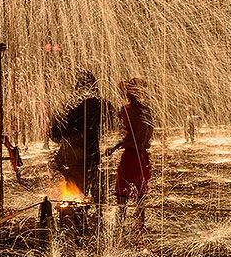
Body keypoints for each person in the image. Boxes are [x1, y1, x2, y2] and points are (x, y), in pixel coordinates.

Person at [50, 71, 113, 202]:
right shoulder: (100, 105)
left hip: (75, 159)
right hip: (90, 156)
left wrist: (56, 120)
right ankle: (99, 214)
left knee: (76, 194)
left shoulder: (73, 109)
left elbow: (56, 136)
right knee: (96, 191)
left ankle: (76, 216)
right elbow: (111, 119)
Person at [105, 78, 154, 233]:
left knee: (122, 195)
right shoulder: (147, 111)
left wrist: (114, 148)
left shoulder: (126, 110)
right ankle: (140, 226)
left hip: (130, 157)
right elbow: (146, 135)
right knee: (141, 193)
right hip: (144, 157)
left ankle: (119, 226)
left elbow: (129, 138)